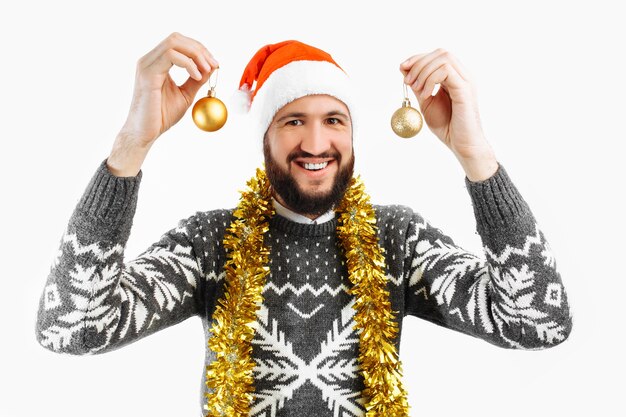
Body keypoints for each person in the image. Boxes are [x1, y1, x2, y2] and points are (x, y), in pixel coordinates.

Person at [36, 32, 572, 417]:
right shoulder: (210, 244)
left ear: (353, 134)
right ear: (264, 139)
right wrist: (132, 144)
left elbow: (536, 322)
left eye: (333, 121)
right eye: (293, 121)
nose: (316, 144)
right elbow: (73, 329)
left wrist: (475, 156)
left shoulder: (399, 241)